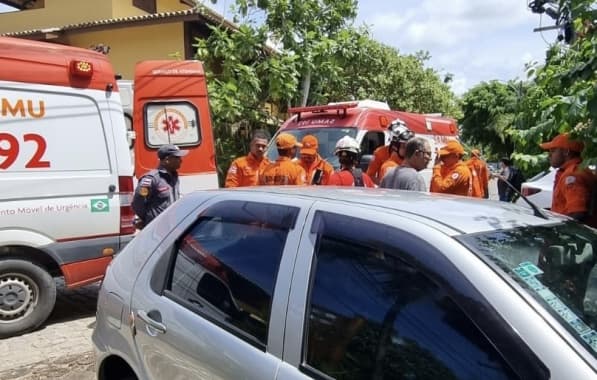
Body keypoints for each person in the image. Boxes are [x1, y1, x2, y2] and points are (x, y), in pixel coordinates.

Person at [540, 133, 596, 226]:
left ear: (566, 152)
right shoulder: (579, 170)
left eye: (553, 150)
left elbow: (577, 213)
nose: (549, 155)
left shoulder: (572, 175)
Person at [132, 144, 188, 229]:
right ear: (167, 160)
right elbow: (137, 203)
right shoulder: (151, 179)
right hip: (156, 228)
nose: (181, 160)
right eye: (177, 157)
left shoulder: (174, 177)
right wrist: (147, 219)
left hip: (172, 226)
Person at [366, 119, 414, 184]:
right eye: (403, 145)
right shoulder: (380, 152)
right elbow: (370, 175)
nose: (406, 148)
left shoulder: (408, 156)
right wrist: (384, 185)